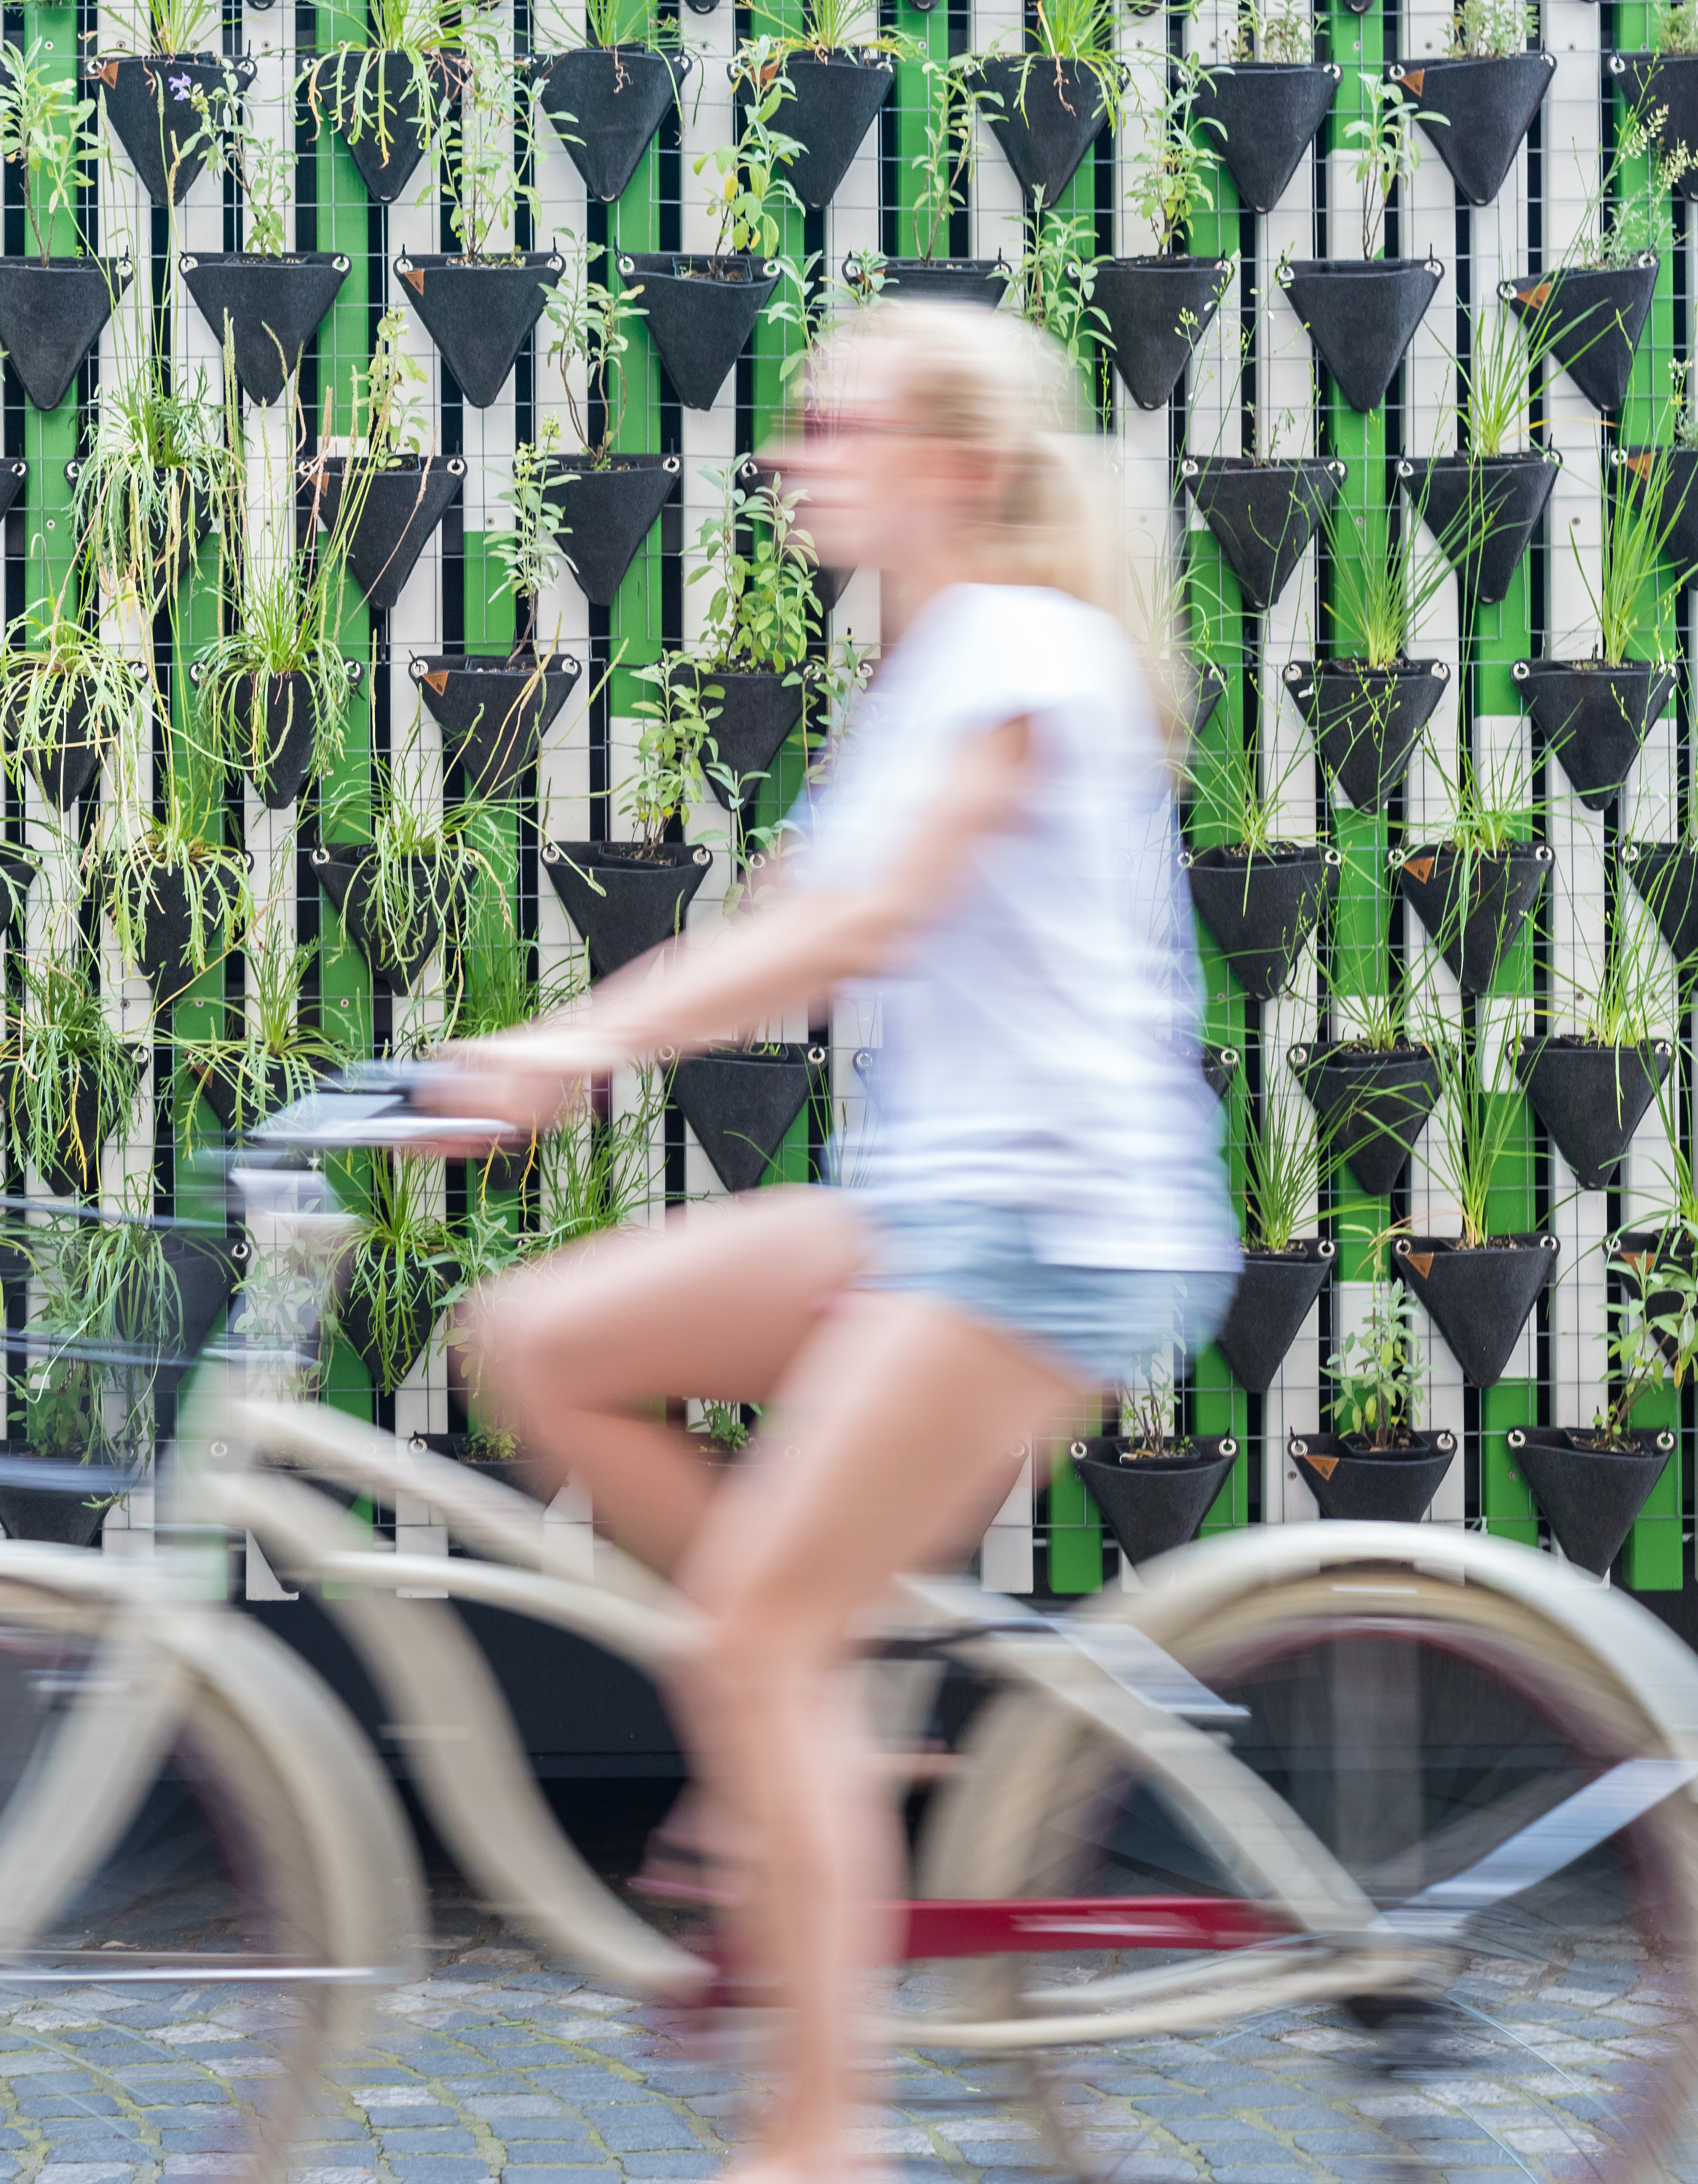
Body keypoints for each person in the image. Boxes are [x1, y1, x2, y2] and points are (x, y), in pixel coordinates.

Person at [427, 300, 1239, 2184]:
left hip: (1045, 1222)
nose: (794, 454)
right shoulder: (929, 652)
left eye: (837, 425)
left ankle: (818, 2141)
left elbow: (860, 918)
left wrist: (577, 1044)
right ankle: (822, 1727)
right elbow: (802, 907)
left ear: (956, 462)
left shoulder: (1021, 648)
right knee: (538, 1341)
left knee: (757, 1646)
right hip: (930, 1206)